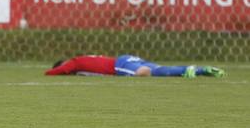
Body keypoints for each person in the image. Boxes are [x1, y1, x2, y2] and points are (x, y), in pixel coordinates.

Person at [45, 54, 225, 78]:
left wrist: (47, 73)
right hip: (127, 58)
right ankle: (198, 69)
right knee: (156, 68)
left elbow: (61, 70)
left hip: (119, 65)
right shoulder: (84, 60)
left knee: (145, 73)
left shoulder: (75, 62)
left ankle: (189, 70)